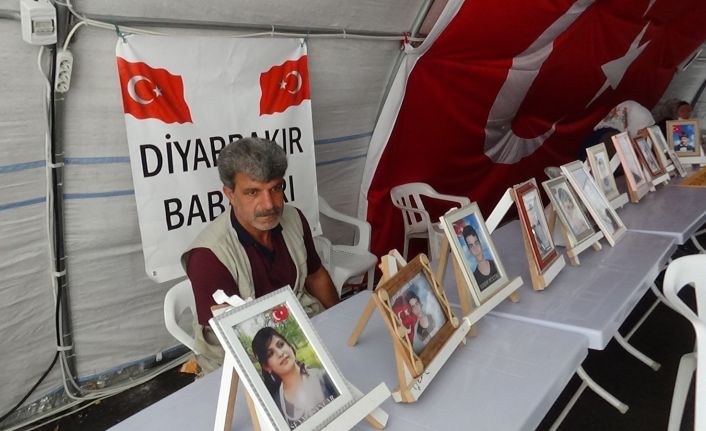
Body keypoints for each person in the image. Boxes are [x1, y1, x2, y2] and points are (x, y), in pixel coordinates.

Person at [181, 137, 339, 370]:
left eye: (275, 188)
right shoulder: (208, 257)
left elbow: (316, 276)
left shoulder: (294, 218)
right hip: (242, 361)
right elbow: (235, 340)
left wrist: (340, 321)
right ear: (230, 194)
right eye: (252, 192)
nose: (269, 204)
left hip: (300, 332)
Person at [252, 327, 338, 428]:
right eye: (270, 354)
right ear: (267, 367)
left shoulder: (323, 377)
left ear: (290, 346)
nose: (280, 353)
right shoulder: (275, 405)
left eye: (281, 345)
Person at [462, 224, 499, 291]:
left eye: (476, 243)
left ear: (480, 244)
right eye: (471, 246)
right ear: (469, 250)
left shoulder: (496, 264)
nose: (475, 249)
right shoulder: (474, 279)